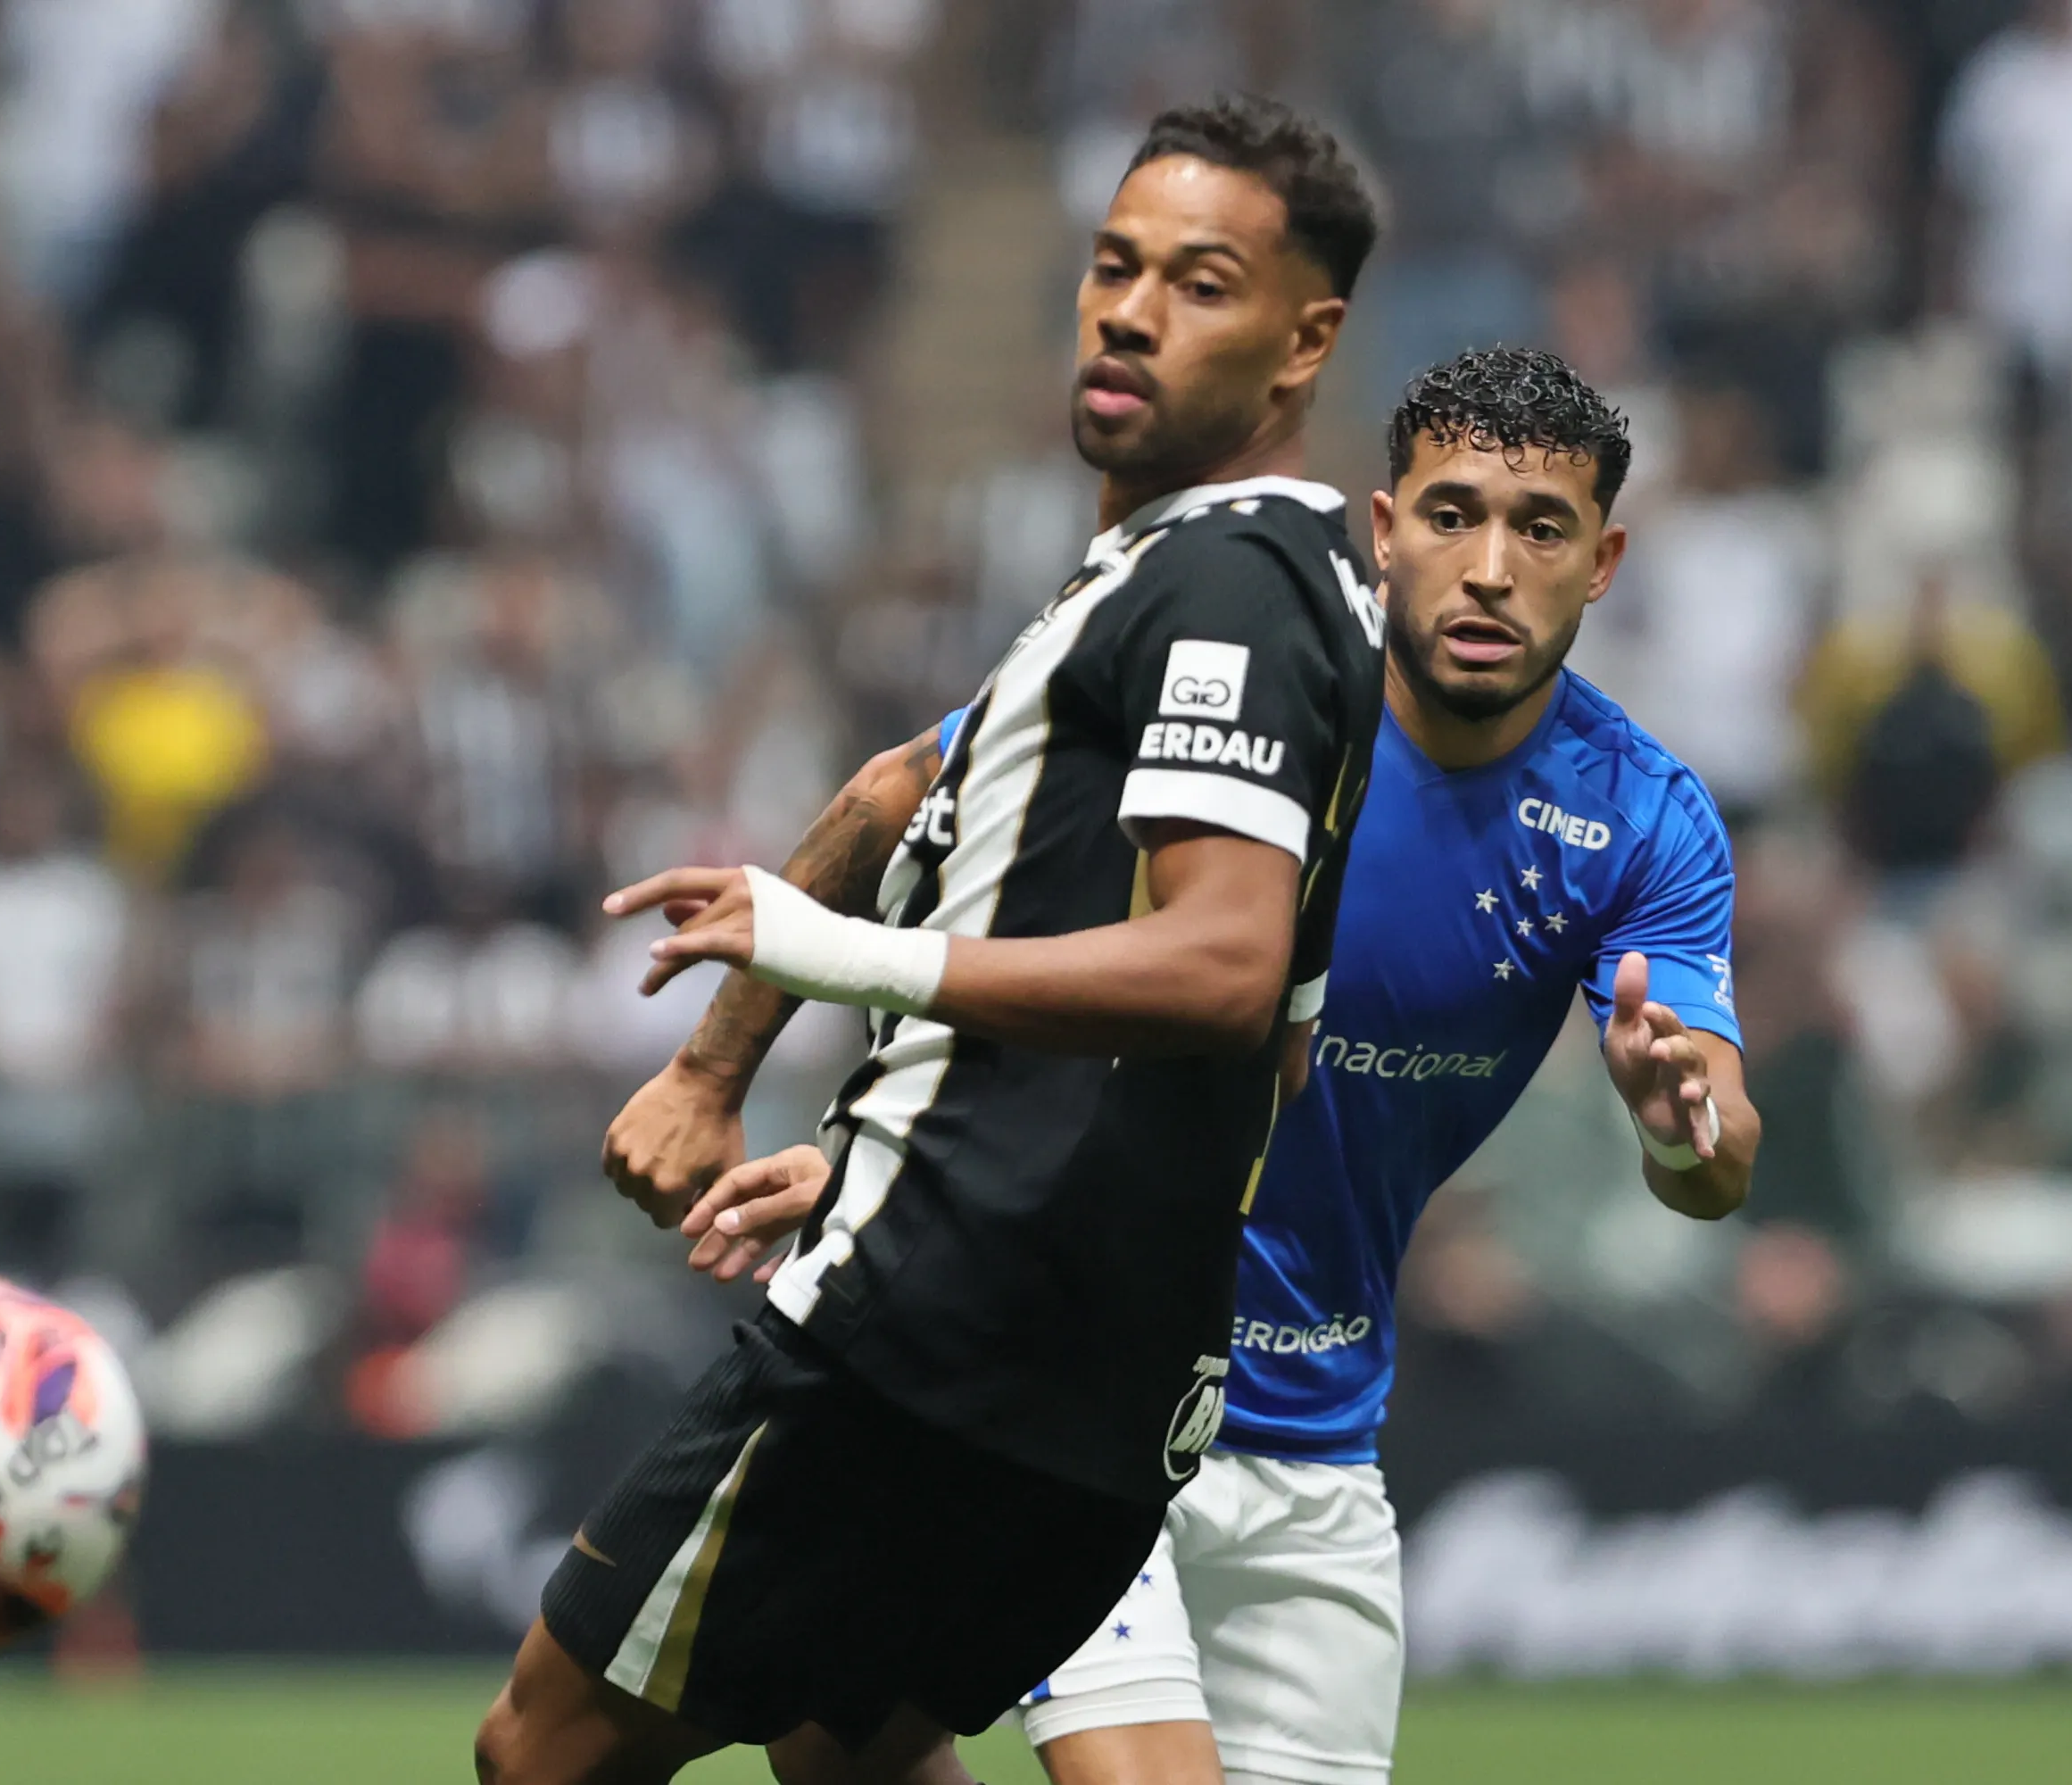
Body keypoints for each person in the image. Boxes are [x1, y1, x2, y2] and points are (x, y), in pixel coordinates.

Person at [641, 348, 1761, 1785]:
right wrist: (714, 1080)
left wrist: (1676, 1129)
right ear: (1382, 527)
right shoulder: (1236, 691)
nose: (1489, 567)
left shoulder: (1645, 819)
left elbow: (1716, 1165)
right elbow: (886, 799)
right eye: (1451, 515)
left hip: (1316, 1447)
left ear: (1601, 561)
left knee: (832, 1740)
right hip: (1074, 1385)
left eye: (1539, 529)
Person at [476, 95, 1387, 1785]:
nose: (1128, 310)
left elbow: (1221, 967)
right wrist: (746, 1081)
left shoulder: (1233, 591)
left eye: (1200, 284)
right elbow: (913, 788)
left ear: (1302, 339)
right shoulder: (1212, 578)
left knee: (541, 1750)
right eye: (1116, 268)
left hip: (939, 1325)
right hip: (1080, 1356)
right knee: (847, 1747)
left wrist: (849, 968)